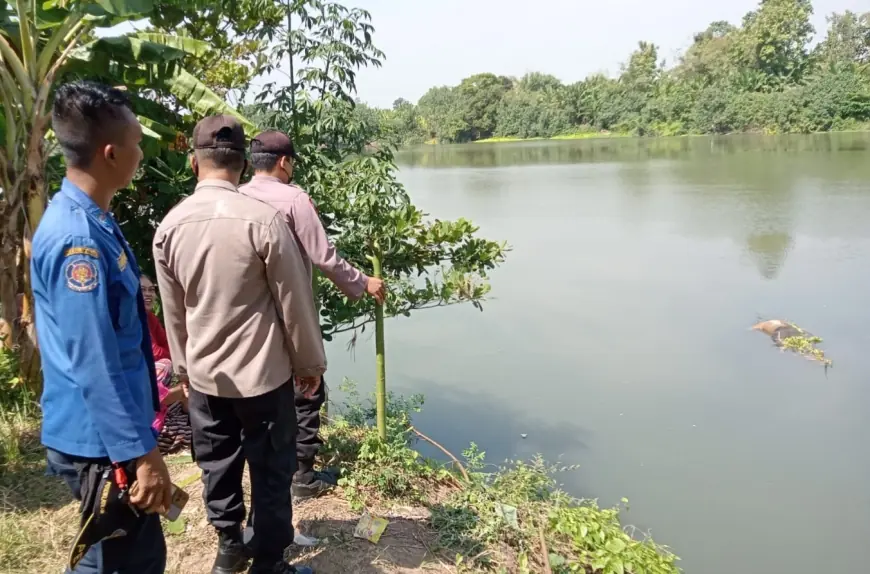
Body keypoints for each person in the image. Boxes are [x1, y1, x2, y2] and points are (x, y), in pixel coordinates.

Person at [152, 115, 325, 574]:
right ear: (244, 164)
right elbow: (295, 301)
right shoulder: (264, 221)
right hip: (264, 375)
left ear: (193, 163)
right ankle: (269, 560)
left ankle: (229, 548)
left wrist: (185, 371)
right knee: (270, 469)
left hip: (206, 378)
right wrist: (309, 362)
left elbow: (174, 314)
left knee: (218, 465)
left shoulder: (169, 227)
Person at [32, 81, 171, 574]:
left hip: (107, 434)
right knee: (117, 559)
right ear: (111, 153)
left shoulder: (94, 220)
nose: (140, 152)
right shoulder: (79, 243)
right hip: (101, 441)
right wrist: (142, 453)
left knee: (126, 550)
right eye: (136, 143)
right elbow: (94, 363)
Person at [240, 130, 386, 500]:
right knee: (308, 388)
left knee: (264, 391)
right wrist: (362, 282)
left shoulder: (236, 196)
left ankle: (269, 467)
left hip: (246, 316)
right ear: (285, 162)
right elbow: (323, 257)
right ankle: (302, 475)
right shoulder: (294, 200)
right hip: (288, 312)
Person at [140, 274, 191, 454]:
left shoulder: (150, 318)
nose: (148, 294)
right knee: (167, 365)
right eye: (142, 290)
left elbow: (167, 344)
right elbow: (154, 352)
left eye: (151, 290)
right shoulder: (133, 320)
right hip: (144, 392)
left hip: (158, 386)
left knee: (189, 401)